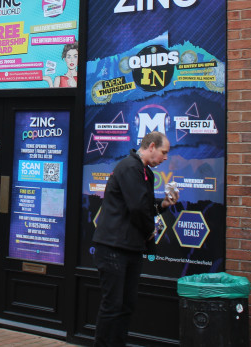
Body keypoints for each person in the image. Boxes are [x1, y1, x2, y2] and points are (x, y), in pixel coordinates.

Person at [92, 131, 178, 347]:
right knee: (113, 306)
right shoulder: (131, 167)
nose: (165, 157)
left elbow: (143, 205)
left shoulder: (142, 170)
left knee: (125, 305)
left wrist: (162, 205)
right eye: (163, 152)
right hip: (114, 248)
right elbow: (138, 209)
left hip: (128, 248)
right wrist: (150, 230)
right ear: (151, 147)